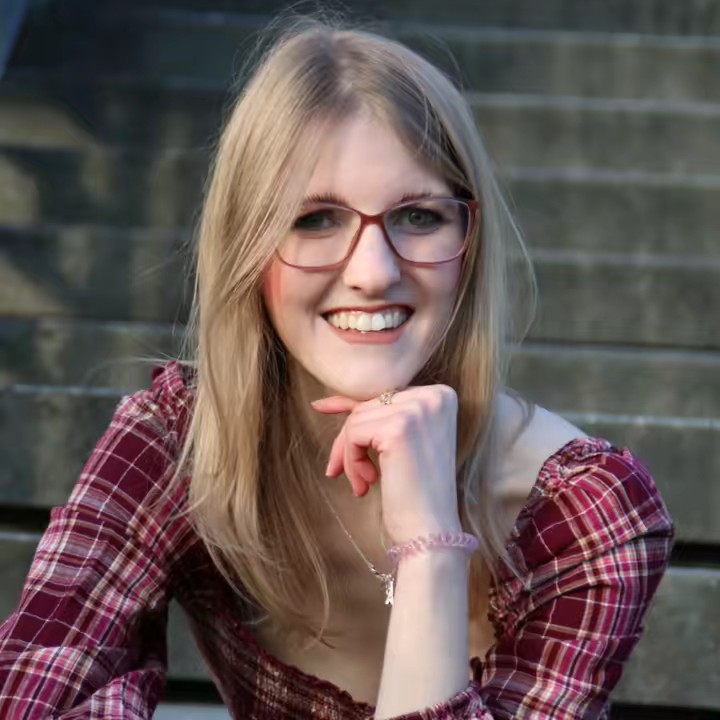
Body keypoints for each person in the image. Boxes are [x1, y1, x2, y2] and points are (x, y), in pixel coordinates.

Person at [0, 15, 674, 720]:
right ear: (246, 244)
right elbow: (36, 693)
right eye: (315, 219)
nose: (373, 272)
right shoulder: (180, 440)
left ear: (470, 243)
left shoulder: (587, 514)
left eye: (419, 216)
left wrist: (431, 544)